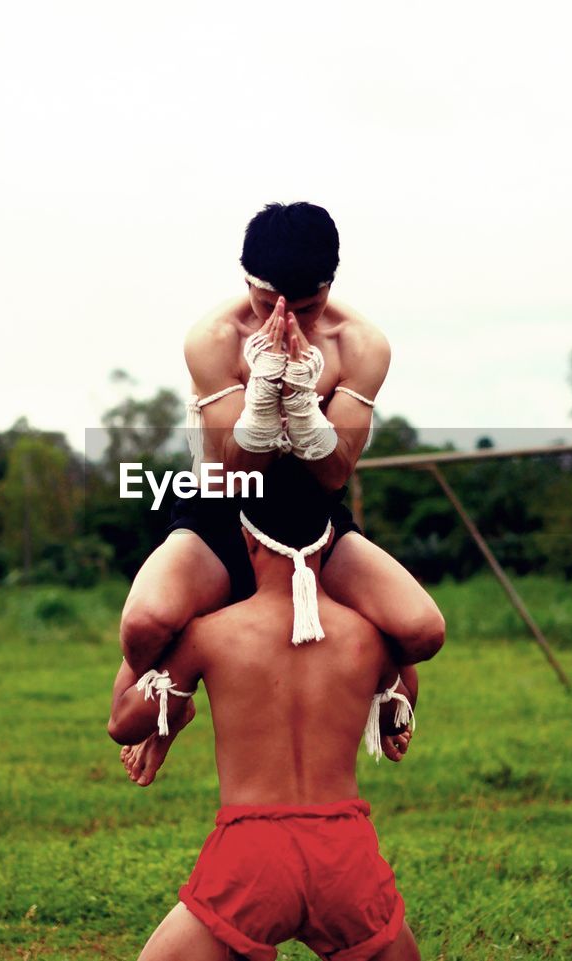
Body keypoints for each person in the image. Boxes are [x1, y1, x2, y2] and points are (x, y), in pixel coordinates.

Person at [108, 459, 423, 961]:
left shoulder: (206, 634)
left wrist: (150, 646)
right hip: (345, 852)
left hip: (252, 852)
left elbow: (123, 723)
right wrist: (391, 721)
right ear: (329, 544)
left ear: (247, 541)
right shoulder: (369, 637)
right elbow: (398, 706)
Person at [119, 202, 445, 686]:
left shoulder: (361, 344)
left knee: (422, 631)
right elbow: (233, 471)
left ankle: (372, 682)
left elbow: (335, 473)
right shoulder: (214, 338)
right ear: (246, 280)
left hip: (314, 522)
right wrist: (263, 397)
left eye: (306, 307)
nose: (285, 319)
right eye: (267, 302)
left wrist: (301, 405)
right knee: (144, 625)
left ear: (329, 286)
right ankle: (179, 690)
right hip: (222, 509)